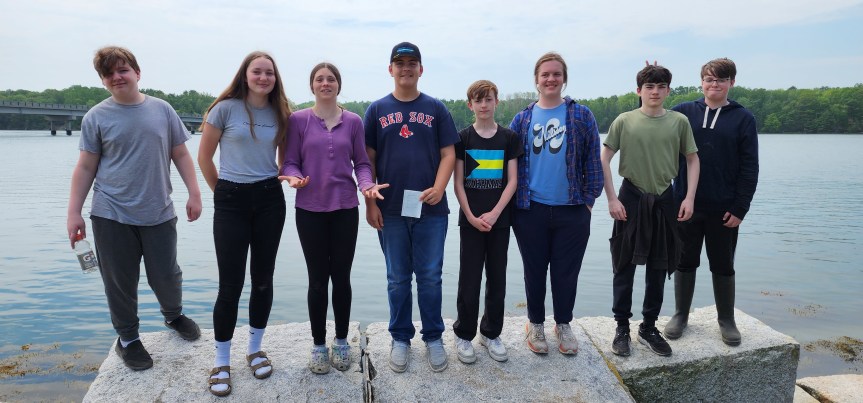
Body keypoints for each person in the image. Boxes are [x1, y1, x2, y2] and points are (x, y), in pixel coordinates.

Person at [66, 46, 202, 372]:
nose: (117, 77)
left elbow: (181, 155)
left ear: (137, 73)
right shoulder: (96, 117)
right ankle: (128, 338)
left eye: (123, 69)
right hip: (111, 213)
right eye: (109, 73)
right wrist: (74, 213)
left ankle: (173, 315)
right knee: (119, 282)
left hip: (159, 211)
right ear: (103, 80)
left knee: (166, 275)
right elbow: (85, 168)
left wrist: (195, 193)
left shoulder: (163, 110)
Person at [279, 62, 388, 374]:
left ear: (338, 85)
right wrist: (295, 177)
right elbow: (290, 161)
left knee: (341, 277)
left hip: (344, 208)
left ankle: (341, 340)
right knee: (317, 279)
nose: (325, 83)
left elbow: (362, 163)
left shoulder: (353, 121)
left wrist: (367, 186)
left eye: (330, 79)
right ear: (312, 86)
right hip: (309, 209)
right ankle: (317, 344)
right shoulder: (298, 120)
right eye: (319, 79)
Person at [198, 51, 291, 396]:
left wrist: (291, 176)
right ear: (245, 74)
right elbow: (204, 156)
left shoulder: (282, 112)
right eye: (257, 72)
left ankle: (254, 349)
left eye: (269, 72)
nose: (263, 78)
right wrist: (221, 192)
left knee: (263, 280)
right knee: (230, 284)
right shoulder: (224, 109)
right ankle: (221, 360)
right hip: (231, 199)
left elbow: (285, 159)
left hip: (269, 199)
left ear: (275, 78)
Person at [363, 42, 459, 373]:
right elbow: (366, 160)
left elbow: (449, 153)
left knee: (430, 276)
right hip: (388, 209)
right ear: (390, 69)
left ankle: (433, 336)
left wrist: (439, 186)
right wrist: (369, 201)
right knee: (397, 277)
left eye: (412, 62)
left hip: (430, 209)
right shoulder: (376, 109)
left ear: (421, 69)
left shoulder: (436, 108)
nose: (406, 68)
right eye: (399, 63)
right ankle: (400, 337)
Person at [601, 64, 700, 357]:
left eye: (661, 87)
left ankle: (648, 326)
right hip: (630, 198)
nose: (655, 92)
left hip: (665, 199)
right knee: (624, 264)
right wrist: (611, 199)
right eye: (649, 87)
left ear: (668, 90)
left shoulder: (679, 122)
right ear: (639, 91)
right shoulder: (624, 121)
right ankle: (622, 327)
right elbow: (603, 158)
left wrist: (690, 197)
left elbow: (693, 160)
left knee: (659, 265)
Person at [509, 52, 603, 355]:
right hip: (530, 209)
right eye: (545, 74)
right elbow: (509, 166)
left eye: (556, 74)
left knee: (566, 271)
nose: (551, 79)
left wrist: (588, 203)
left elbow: (593, 161)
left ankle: (563, 324)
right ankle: (535, 323)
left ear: (564, 79)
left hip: (573, 209)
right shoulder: (522, 119)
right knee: (534, 270)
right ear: (536, 79)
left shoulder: (581, 115)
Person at [664, 58, 759, 346]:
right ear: (701, 82)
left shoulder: (743, 118)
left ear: (731, 82)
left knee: (723, 263)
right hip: (686, 204)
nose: (713, 84)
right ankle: (680, 315)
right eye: (708, 78)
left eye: (720, 79)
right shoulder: (683, 112)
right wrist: (650, 77)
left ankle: (726, 320)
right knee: (684, 260)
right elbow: (652, 119)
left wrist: (741, 207)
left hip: (725, 208)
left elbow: (750, 167)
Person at [452, 80, 522, 364]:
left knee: (497, 278)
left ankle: (491, 332)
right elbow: (457, 183)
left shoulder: (508, 138)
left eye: (488, 99)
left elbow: (513, 180)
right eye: (478, 100)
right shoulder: (463, 138)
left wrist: (494, 214)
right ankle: (464, 335)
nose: (484, 105)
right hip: (470, 221)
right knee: (468, 280)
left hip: (499, 221)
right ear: (470, 105)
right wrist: (470, 215)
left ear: (496, 103)